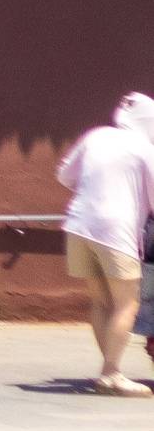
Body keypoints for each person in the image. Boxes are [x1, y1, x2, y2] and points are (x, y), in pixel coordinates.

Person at [55, 92, 154, 395]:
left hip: (78, 225)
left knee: (101, 302)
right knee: (127, 303)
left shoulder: (95, 136)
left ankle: (110, 370)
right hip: (116, 231)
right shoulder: (144, 149)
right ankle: (110, 374)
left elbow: (63, 175)